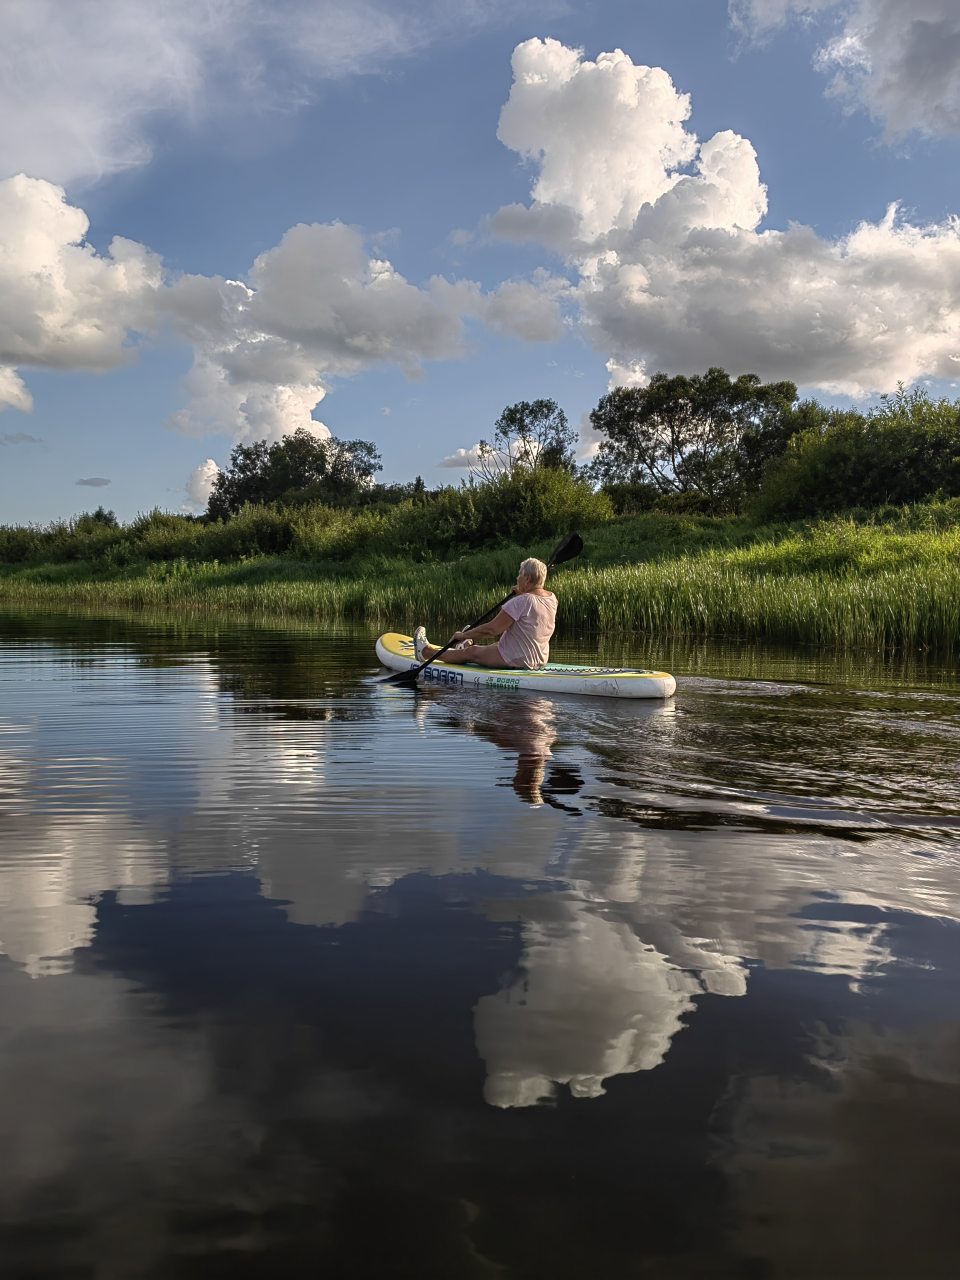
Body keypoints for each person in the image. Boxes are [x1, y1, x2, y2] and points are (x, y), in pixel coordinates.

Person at [414, 557, 557, 670]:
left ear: (527, 579)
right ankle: (464, 647)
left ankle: (425, 652)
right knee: (497, 644)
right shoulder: (552, 599)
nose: (517, 578)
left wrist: (463, 635)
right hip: (539, 659)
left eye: (519, 574)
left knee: (472, 653)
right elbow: (532, 613)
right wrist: (522, 595)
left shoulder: (521, 602)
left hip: (516, 658)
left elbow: (491, 629)